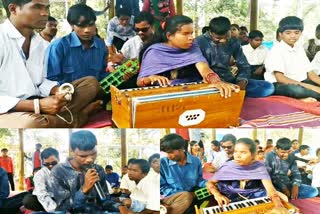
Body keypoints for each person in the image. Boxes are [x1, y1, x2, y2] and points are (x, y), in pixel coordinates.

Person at [0, 0, 103, 128]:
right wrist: (37, 105)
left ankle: (60, 116)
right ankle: (82, 115)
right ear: (13, 9)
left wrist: (57, 91)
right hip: (9, 111)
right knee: (32, 124)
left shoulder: (41, 44)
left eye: (47, 8)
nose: (45, 14)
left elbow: (41, 82)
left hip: (40, 103)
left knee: (91, 83)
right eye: (37, 7)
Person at [138, 15, 239, 99]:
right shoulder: (154, 51)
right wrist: (150, 78)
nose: (191, 37)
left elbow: (204, 68)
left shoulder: (193, 47)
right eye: (185, 34)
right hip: (163, 97)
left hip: (192, 92)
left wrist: (216, 81)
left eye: (191, 33)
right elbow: (140, 82)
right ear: (169, 36)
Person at [195, 16, 274, 98]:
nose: (223, 41)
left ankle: (230, 93)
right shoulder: (199, 42)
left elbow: (244, 65)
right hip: (209, 84)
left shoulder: (234, 42)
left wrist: (242, 81)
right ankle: (226, 94)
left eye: (226, 37)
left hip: (229, 81)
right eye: (218, 38)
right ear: (210, 32)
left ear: (229, 30)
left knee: (267, 87)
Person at [206, 138, 288, 214]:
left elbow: (270, 189)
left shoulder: (259, 167)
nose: (237, 156)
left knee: (283, 199)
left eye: (243, 152)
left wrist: (278, 206)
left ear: (252, 155)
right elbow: (210, 183)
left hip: (253, 194)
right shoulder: (228, 166)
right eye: (236, 151)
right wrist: (217, 194)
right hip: (231, 196)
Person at [49, 130, 117, 213]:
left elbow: (104, 200)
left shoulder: (98, 169)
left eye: (93, 154)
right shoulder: (58, 172)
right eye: (83, 156)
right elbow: (62, 207)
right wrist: (84, 190)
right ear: (71, 150)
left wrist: (118, 206)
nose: (90, 159)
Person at [46, 4, 108, 85]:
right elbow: (51, 81)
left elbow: (102, 75)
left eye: (91, 24)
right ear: (72, 25)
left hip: (97, 94)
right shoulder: (58, 46)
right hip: (67, 95)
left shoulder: (100, 45)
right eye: (81, 26)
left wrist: (120, 76)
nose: (87, 30)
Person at [265, 16, 320, 102]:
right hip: (281, 84)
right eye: (288, 33)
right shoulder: (276, 50)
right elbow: (280, 78)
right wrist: (312, 87)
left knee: (312, 85)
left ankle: (305, 97)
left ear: (301, 33)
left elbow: (311, 73)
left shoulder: (299, 48)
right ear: (280, 34)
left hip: (300, 82)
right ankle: (302, 97)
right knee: (295, 90)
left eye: (296, 32)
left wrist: (314, 86)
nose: (293, 36)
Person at [160, 133, 207, 214]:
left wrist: (209, 184)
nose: (168, 156)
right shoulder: (162, 163)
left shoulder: (196, 161)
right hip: (174, 199)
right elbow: (162, 188)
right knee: (187, 200)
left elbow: (199, 180)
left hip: (192, 195)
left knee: (211, 194)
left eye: (170, 152)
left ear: (181, 149)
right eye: (166, 153)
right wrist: (185, 195)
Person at [23, 148, 60, 212]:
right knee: (28, 200)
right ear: (43, 162)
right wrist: (55, 209)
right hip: (46, 198)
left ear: (59, 159)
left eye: (54, 163)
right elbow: (42, 194)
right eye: (47, 164)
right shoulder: (39, 174)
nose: (51, 166)